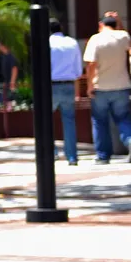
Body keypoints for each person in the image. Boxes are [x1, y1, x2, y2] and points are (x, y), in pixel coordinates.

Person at [84, 13, 131, 164]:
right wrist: (119, 21)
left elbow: (91, 64)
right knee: (123, 118)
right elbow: (130, 46)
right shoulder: (122, 36)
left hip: (101, 86)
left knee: (100, 121)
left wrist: (89, 86)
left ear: (101, 25)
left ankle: (103, 156)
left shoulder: (96, 39)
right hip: (121, 85)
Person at [49, 19, 82, 166]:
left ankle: (52, 153)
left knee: (46, 121)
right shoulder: (72, 42)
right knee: (69, 121)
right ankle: (72, 157)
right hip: (68, 85)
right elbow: (78, 70)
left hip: (51, 86)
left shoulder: (46, 43)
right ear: (61, 28)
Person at [0, 42, 19, 109]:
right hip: (6, 82)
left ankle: (10, 113)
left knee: (10, 99)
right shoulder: (3, 57)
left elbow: (14, 68)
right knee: (4, 99)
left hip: (10, 82)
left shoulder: (10, 56)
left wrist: (12, 81)